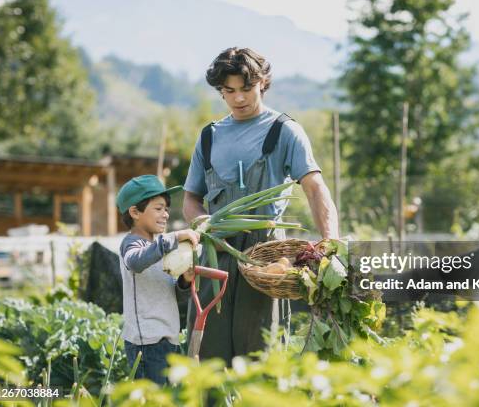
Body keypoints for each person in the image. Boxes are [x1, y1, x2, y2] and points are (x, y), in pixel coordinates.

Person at [182, 47, 339, 365]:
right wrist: (205, 224)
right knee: (208, 359)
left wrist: (330, 242)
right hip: (216, 254)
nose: (238, 98)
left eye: (246, 89)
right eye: (229, 91)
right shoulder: (210, 136)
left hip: (265, 258)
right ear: (221, 91)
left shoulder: (284, 131)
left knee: (260, 359)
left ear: (262, 83)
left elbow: (314, 187)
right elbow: (190, 199)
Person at [116, 174, 200, 384]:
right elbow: (135, 262)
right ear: (135, 212)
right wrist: (173, 237)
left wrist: (183, 281)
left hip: (168, 340)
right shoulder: (132, 244)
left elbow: (169, 291)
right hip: (147, 344)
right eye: (158, 208)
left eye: (166, 209)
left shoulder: (158, 249)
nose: (165, 214)